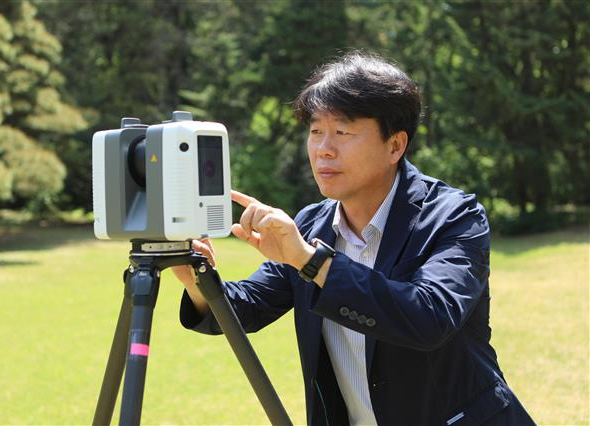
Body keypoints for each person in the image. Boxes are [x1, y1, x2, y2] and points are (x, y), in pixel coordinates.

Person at [173, 52, 534, 425]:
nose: (324, 148)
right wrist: (197, 278)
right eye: (316, 131)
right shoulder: (312, 226)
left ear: (395, 145)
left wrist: (312, 262)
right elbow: (245, 308)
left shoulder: (454, 216)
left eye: (343, 132)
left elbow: (428, 317)